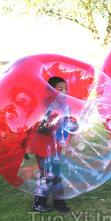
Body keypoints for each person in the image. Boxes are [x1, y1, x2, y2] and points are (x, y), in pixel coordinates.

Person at [30, 76, 70, 212]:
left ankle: (59, 202)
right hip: (43, 148)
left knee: (57, 175)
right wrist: (51, 123)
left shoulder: (66, 107)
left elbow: (67, 126)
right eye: (61, 89)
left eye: (66, 89)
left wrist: (72, 126)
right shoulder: (46, 106)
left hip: (56, 148)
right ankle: (38, 202)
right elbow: (41, 128)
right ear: (52, 91)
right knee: (48, 175)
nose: (64, 92)